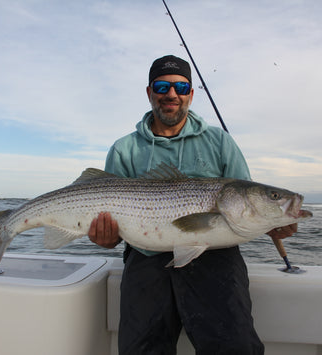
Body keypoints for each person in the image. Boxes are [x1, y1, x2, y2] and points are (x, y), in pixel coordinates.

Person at [88, 55, 297, 355]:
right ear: (149, 93)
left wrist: (273, 223)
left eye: (180, 87)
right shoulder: (124, 149)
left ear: (190, 94)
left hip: (216, 258)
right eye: (162, 86)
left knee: (234, 347)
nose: (171, 94)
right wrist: (105, 239)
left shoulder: (220, 142)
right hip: (147, 259)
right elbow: (111, 234)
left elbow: (246, 205)